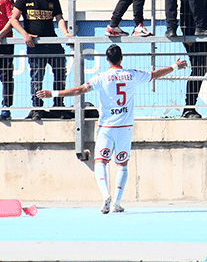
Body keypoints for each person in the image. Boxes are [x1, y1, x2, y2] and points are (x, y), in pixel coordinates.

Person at [36, 44, 187, 214]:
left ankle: (105, 195)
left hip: (106, 127)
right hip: (125, 127)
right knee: (122, 164)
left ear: (107, 59)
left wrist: (53, 93)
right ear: (121, 58)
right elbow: (155, 74)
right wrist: (175, 66)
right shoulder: (131, 75)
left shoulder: (101, 77)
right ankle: (116, 202)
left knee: (100, 161)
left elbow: (79, 90)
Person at [9, 0, 73, 120]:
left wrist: (65, 33)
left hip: (52, 43)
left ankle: (58, 104)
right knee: (37, 77)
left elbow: (59, 18)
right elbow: (13, 19)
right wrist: (25, 35)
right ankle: (37, 106)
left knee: (60, 73)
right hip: (35, 46)